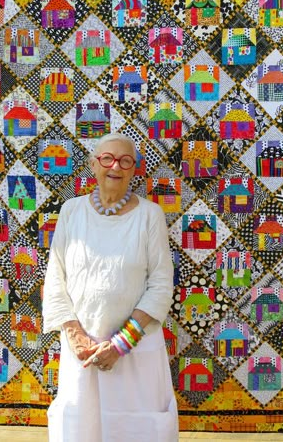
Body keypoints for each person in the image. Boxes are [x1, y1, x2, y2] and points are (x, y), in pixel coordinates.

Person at [42, 132, 178, 442]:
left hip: (135, 349)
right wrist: (75, 336)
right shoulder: (71, 212)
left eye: (124, 160)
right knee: (81, 428)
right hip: (84, 353)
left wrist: (121, 343)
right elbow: (55, 278)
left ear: (133, 169)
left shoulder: (149, 215)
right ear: (94, 164)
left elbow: (160, 284)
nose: (115, 166)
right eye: (107, 158)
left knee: (137, 431)